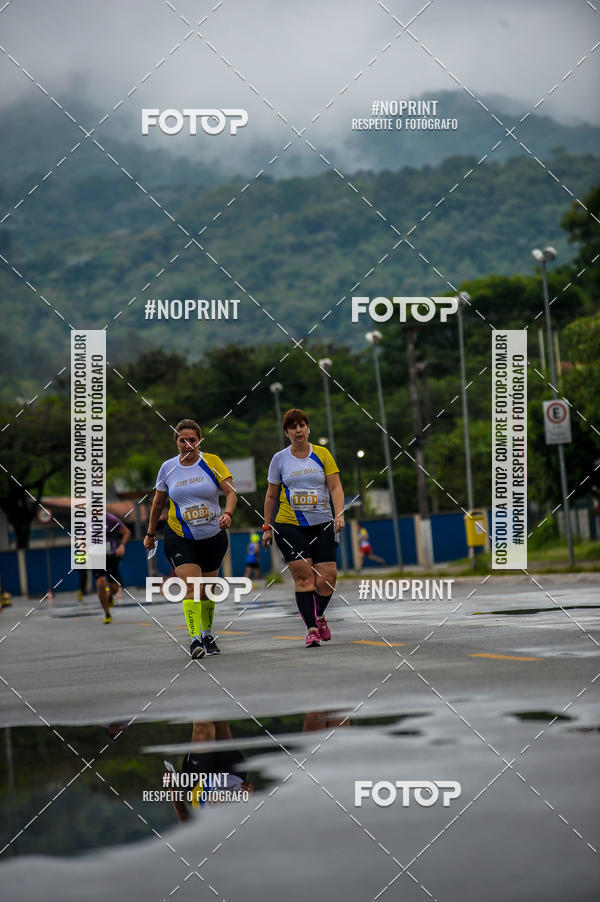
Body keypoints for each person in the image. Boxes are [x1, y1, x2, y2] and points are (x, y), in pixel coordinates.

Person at [144, 418, 236, 659]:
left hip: (213, 535)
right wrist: (150, 533)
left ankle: (207, 634)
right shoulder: (168, 468)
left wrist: (228, 513)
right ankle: (195, 639)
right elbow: (157, 503)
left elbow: (230, 492)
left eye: (192, 440)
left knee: (207, 589)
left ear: (199, 441)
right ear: (176, 442)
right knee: (191, 587)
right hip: (180, 534)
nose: (187, 444)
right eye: (182, 440)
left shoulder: (212, 461)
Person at [263, 408, 345, 648]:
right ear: (287, 432)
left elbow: (336, 487)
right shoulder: (279, 459)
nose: (298, 430)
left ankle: (319, 616)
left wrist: (338, 514)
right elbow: (271, 496)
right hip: (289, 525)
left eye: (302, 425)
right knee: (304, 577)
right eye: (293, 427)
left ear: (308, 428)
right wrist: (267, 527)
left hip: (322, 523)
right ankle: (311, 629)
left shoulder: (322, 454)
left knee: (327, 579)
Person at [92, 512, 131, 624]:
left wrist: (122, 546)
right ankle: (107, 613)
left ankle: (109, 596)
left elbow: (127, 532)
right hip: (96, 557)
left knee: (114, 588)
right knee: (100, 582)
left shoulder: (110, 518)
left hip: (111, 556)